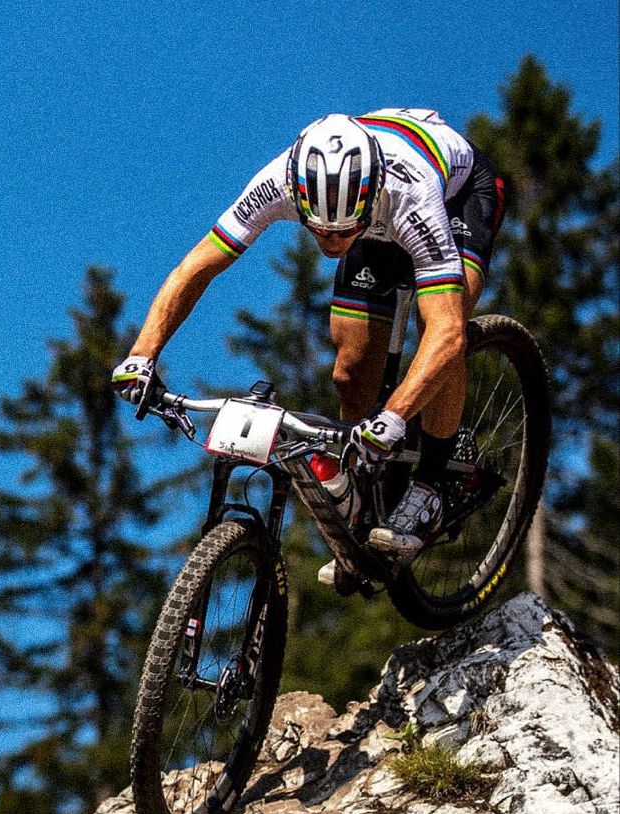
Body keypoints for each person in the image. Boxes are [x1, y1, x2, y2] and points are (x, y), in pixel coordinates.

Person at [113, 108, 505, 565]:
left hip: (457, 198)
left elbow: (448, 333)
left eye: (342, 230)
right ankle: (369, 495)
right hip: (375, 222)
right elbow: (195, 269)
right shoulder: (278, 180)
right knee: (351, 371)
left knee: (439, 323)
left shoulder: (407, 192)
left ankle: (434, 481)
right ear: (299, 199)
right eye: (318, 230)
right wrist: (142, 356)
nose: (331, 240)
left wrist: (395, 417)